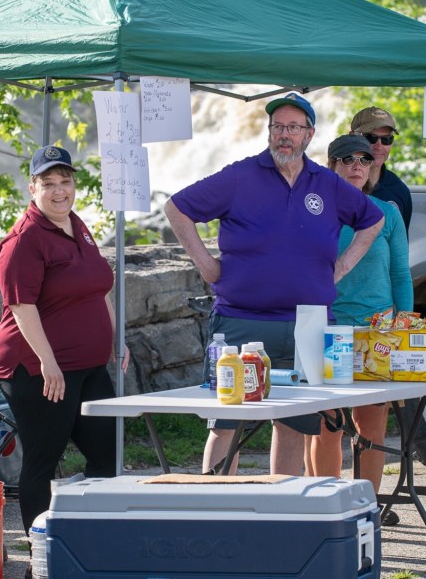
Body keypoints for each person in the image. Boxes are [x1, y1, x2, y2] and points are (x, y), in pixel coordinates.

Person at [164, 92, 385, 476]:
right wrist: (206, 266)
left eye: (293, 128)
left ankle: (284, 515)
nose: (285, 135)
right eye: (278, 127)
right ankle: (213, 516)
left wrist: (341, 267)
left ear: (309, 134)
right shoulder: (240, 176)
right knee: (226, 425)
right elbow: (177, 208)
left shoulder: (327, 184)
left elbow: (373, 220)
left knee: (294, 426)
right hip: (240, 319)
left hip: (308, 325)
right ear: (269, 132)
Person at [0, 146, 127, 534]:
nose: (59, 190)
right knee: (43, 458)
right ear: (32, 188)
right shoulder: (24, 240)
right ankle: (39, 552)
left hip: (87, 365)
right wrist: (48, 362)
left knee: (108, 450)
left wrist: (115, 338)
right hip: (36, 366)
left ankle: (90, 538)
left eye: (65, 181)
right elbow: (21, 306)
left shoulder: (77, 225)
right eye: (48, 183)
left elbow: (98, 287)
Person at [310, 134, 412, 526]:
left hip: (379, 332)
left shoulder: (386, 211)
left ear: (372, 168)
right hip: (329, 328)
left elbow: (401, 275)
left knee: (372, 421)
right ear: (331, 165)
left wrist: (402, 327)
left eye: (364, 160)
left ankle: (368, 506)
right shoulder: (316, 210)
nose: (356, 166)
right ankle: (328, 510)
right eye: (347, 158)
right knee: (327, 423)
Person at [351, 106, 412, 232]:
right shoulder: (331, 184)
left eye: (386, 139)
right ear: (352, 137)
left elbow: (400, 249)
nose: (379, 146)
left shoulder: (399, 190)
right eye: (370, 138)